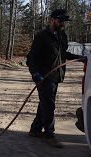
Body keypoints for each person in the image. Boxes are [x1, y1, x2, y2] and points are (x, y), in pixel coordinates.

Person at [26, 9, 87, 148]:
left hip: (56, 76)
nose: (62, 24)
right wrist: (35, 73)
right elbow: (31, 58)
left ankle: (35, 130)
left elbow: (63, 54)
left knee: (45, 104)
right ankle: (49, 134)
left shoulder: (61, 35)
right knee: (49, 105)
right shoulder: (41, 36)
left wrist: (79, 58)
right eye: (60, 21)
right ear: (52, 20)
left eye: (64, 22)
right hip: (43, 77)